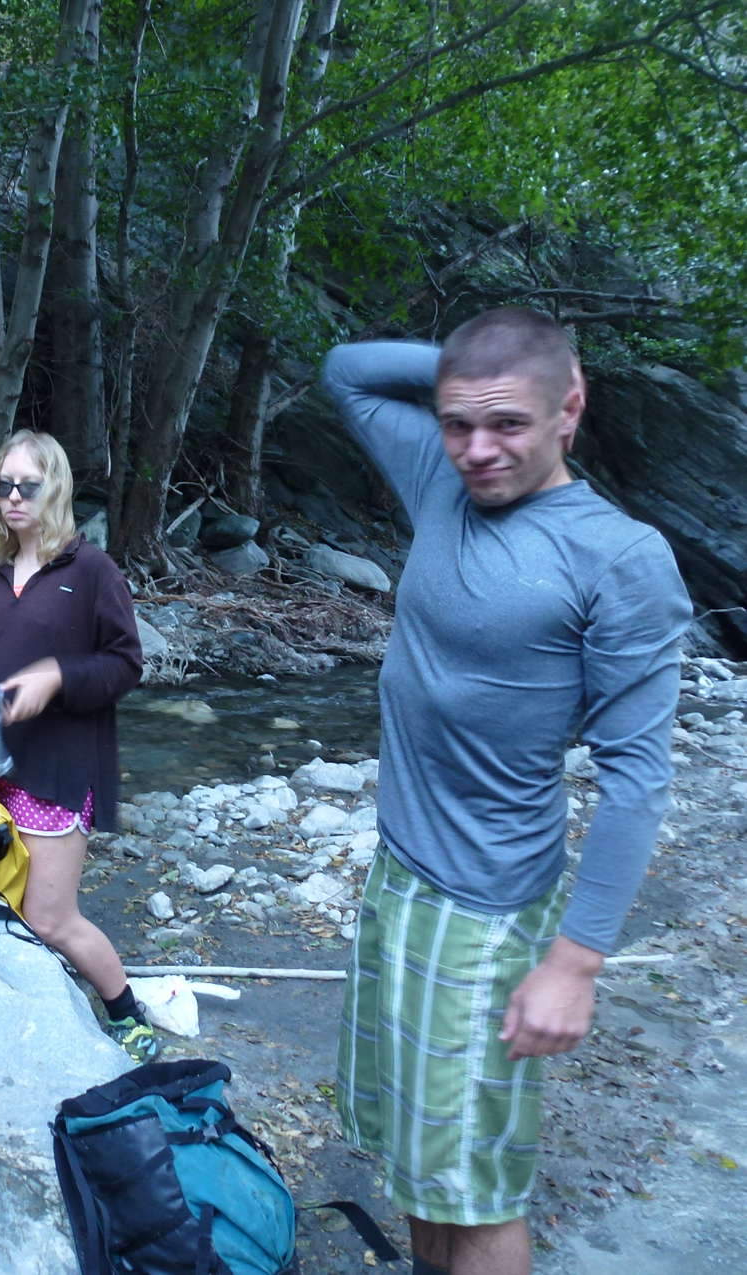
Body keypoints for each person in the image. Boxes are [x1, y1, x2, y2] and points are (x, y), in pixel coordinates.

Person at [320, 309, 691, 1275]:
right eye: (458, 422)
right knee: (417, 1163)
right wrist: (469, 379)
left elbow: (638, 777)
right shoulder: (440, 479)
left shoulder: (621, 557)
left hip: (486, 910)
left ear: (571, 407)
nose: (479, 450)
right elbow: (346, 367)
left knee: (476, 1189)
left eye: (509, 423)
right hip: (400, 875)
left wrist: (576, 961)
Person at [0, 429, 155, 1061]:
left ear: (55, 489)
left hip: (60, 769)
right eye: (3, 485)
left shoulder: (91, 571)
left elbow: (126, 664)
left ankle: (128, 1013)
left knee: (50, 918)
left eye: (28, 487)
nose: (13, 497)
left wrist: (58, 675)